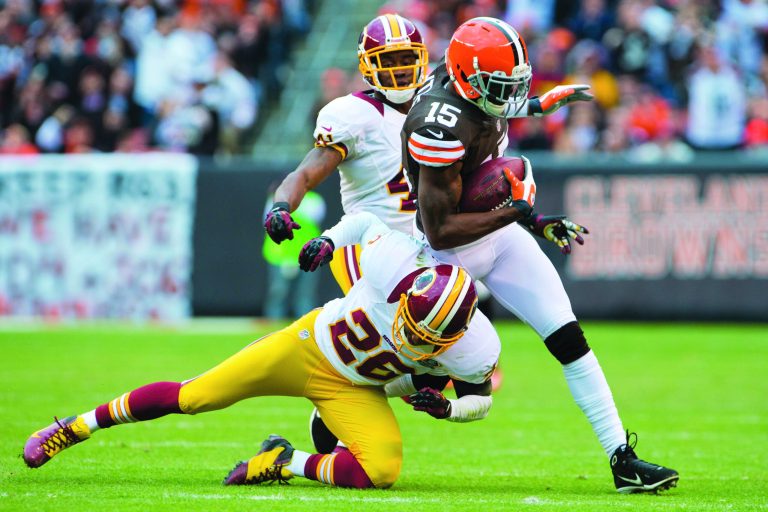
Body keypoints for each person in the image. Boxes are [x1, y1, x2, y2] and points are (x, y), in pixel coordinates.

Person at [398, 16, 678, 494]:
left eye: (512, 85)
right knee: (417, 369)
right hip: (447, 258)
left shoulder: (478, 96)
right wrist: (518, 212)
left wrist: (535, 219)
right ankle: (346, 404)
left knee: (569, 338)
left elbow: (499, 114)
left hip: (497, 239)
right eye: (497, 84)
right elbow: (441, 230)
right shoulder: (438, 124)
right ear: (466, 78)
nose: (508, 96)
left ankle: (621, 458)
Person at [23, 212, 500, 490]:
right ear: (406, 293)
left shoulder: (476, 346)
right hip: (309, 349)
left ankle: (283, 461)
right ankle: (74, 427)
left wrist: (451, 409)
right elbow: (366, 222)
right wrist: (328, 239)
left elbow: (483, 397)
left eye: (429, 339)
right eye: (413, 325)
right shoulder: (392, 262)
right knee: (196, 397)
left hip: (357, 387)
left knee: (380, 471)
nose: (414, 338)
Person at [261, 188, 326, 319]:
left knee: (305, 294)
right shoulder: (275, 200)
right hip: (279, 256)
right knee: (278, 293)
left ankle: (307, 327)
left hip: (307, 255)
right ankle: (273, 326)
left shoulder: (314, 200)